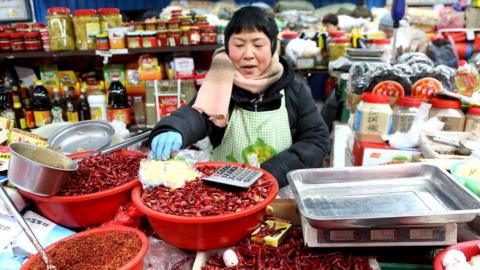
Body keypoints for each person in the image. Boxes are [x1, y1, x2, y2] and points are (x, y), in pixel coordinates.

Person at [149, 6, 330, 187]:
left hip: (280, 192)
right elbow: (196, 116)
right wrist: (173, 128)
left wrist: (267, 174)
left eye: (258, 45)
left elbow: (316, 140)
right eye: (238, 45)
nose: (248, 55)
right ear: (227, 47)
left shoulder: (293, 89)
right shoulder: (219, 84)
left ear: (273, 45)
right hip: (227, 194)